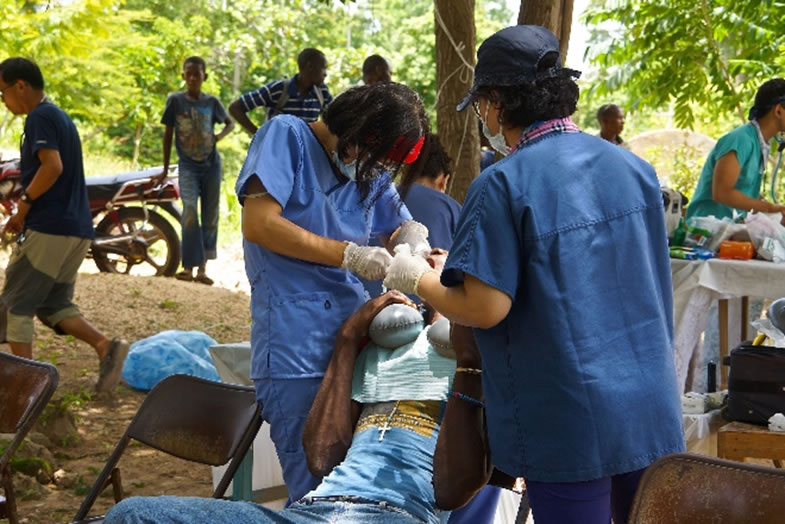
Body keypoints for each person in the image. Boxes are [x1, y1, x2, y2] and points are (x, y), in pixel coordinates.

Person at [383, 25, 685, 524]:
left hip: (571, 414)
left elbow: (483, 307)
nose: (483, 117)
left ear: (497, 102)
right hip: (647, 403)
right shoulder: (633, 169)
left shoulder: (502, 183)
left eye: (482, 105)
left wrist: (415, 277)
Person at [104, 286, 477, 524]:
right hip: (314, 511)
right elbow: (321, 459)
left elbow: (450, 491)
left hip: (397, 514)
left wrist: (470, 363)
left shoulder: (477, 372)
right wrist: (348, 338)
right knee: (132, 515)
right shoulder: (383, 352)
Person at [235, 81, 430, 504]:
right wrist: (348, 255)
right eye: (374, 158)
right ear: (354, 133)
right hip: (296, 346)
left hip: (354, 337)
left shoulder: (368, 171)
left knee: (350, 486)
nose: (374, 171)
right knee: (314, 487)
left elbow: (396, 223)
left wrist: (411, 242)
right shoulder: (286, 137)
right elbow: (260, 223)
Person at [0, 57, 129, 393]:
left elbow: (52, 167)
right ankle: (105, 346)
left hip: (50, 227)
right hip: (76, 229)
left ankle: (24, 389)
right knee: (53, 305)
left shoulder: (40, 117)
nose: (3, 100)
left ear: (20, 86)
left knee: (16, 306)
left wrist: (23, 207)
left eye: (3, 92)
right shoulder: (59, 116)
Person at [158, 56, 234, 285]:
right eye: (188, 74)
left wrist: (217, 137)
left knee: (210, 215)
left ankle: (202, 269)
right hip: (188, 165)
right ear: (183, 76)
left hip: (211, 165)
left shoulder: (212, 102)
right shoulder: (175, 101)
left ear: (204, 77)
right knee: (190, 211)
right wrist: (165, 169)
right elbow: (168, 135)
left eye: (197, 74)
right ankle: (188, 267)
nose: (192, 78)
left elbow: (229, 122)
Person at [686, 78, 785, 221]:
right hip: (706, 228)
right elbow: (722, 193)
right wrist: (769, 208)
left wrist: (776, 212)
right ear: (778, 111)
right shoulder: (740, 140)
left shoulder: (759, 143)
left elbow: (745, 193)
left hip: (730, 227)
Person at [229, 48, 332, 135]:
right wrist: (259, 134)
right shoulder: (280, 89)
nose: (325, 74)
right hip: (276, 151)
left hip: (305, 152)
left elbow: (335, 119)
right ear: (309, 67)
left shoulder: (322, 93)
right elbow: (235, 108)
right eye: (323, 68)